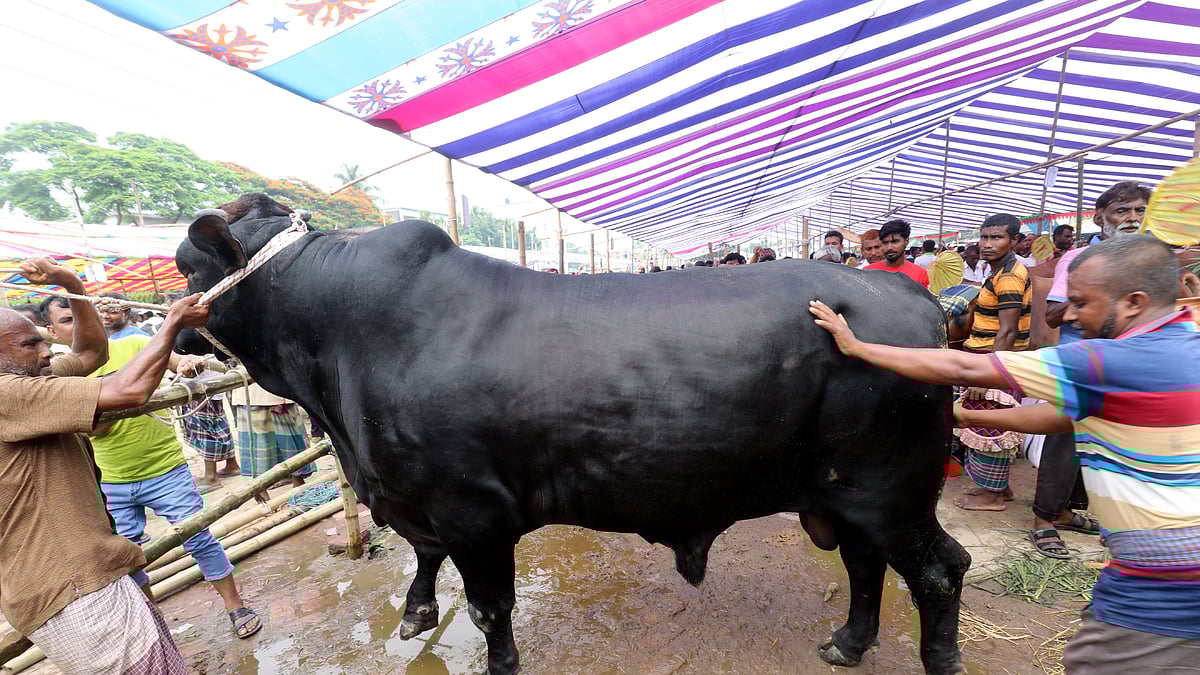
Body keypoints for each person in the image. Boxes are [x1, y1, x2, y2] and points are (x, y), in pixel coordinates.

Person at [809, 234, 1200, 672]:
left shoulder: (1110, 361)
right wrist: (962, 417)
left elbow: (963, 366)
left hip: (1164, 581)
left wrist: (858, 347)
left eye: (1081, 302)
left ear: (1133, 302)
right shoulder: (1188, 342)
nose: (1068, 315)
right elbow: (1066, 417)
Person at [0, 256, 204, 675]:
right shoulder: (9, 394)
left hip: (85, 577)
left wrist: (71, 282)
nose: (46, 350)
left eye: (43, 339)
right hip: (73, 587)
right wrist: (172, 324)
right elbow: (128, 390)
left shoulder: (30, 380)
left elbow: (92, 352)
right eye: (30, 344)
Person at [85, 319, 262, 639]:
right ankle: (155, 623)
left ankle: (235, 605)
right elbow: (86, 428)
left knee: (198, 535)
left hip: (165, 469)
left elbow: (178, 362)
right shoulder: (64, 370)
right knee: (128, 557)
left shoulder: (136, 343)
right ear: (53, 331)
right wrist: (115, 401)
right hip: (110, 478)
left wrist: (188, 364)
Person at [954, 213, 1031, 511]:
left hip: (994, 361)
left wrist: (987, 375)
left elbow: (1008, 330)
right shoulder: (1000, 271)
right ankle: (999, 487)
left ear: (1014, 241)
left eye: (996, 238)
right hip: (988, 359)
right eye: (984, 237)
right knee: (984, 423)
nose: (987, 244)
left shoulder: (1010, 276)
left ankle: (993, 496)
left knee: (990, 424)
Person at [232, 383, 316, 505]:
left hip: (277, 390)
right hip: (251, 391)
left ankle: (297, 483)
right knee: (259, 443)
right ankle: (262, 488)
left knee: (288, 438)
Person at [863, 219, 930, 288]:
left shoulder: (920, 274)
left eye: (895, 242)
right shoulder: (868, 272)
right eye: (885, 243)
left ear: (906, 241)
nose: (889, 247)